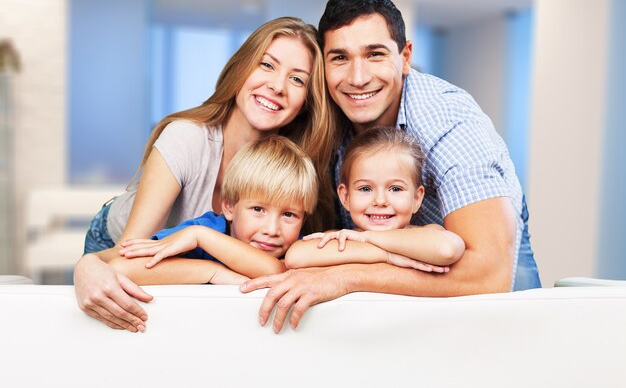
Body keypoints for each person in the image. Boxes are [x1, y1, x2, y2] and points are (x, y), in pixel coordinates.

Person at [240, 0, 541, 334]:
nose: (357, 77)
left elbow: (489, 273)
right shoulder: (326, 113)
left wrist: (346, 277)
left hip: (484, 268)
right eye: (339, 58)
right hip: (395, 276)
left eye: (375, 54)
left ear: (406, 56)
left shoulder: (450, 122)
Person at [74, 17, 339, 332]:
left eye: (297, 80)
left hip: (197, 257)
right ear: (241, 67)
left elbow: (279, 267)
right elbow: (126, 257)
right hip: (119, 242)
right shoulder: (186, 138)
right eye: (267, 65)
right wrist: (87, 265)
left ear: (307, 101)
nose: (278, 86)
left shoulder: (292, 165)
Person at [108, 136, 318, 285]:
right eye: (258, 209)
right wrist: (212, 272)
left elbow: (274, 270)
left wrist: (201, 237)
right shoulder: (203, 230)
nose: (272, 229)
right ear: (228, 207)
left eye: (289, 215)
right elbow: (120, 268)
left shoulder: (298, 249)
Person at [285, 126, 464, 272]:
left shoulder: (427, 233)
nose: (380, 201)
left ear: (417, 198)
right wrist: (387, 256)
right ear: (345, 197)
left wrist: (367, 238)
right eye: (365, 188)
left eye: (395, 189)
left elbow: (446, 250)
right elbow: (295, 256)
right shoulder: (340, 239)